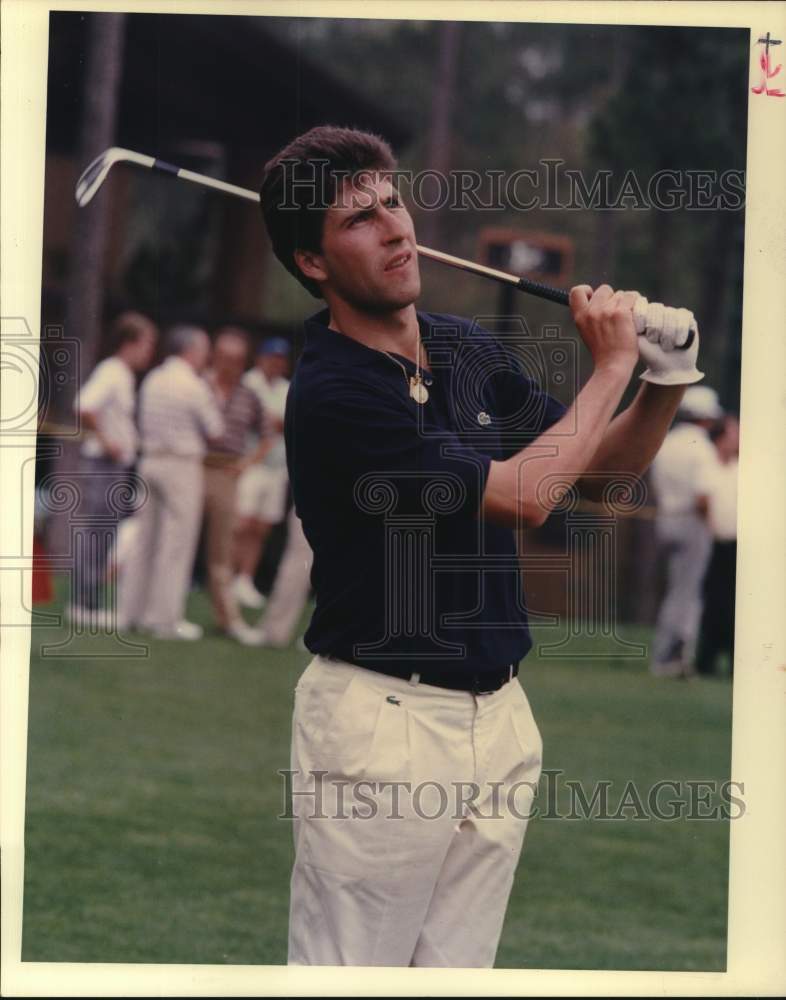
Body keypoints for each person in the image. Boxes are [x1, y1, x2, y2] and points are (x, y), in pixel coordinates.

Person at [259, 125, 703, 968]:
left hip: (497, 718)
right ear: (312, 263)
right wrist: (608, 368)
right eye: (360, 220)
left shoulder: (462, 347)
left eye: (394, 203)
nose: (396, 229)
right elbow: (524, 499)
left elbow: (595, 490)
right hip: (380, 722)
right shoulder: (334, 391)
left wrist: (660, 381)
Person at [117, 325, 223, 640]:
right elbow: (215, 428)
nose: (206, 356)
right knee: (177, 543)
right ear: (190, 351)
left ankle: (130, 613)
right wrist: (214, 392)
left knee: (144, 540)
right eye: (204, 349)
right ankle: (164, 620)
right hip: (180, 465)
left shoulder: (154, 378)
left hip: (149, 461)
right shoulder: (195, 385)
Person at [70, 311, 157, 624]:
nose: (150, 351)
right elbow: (84, 405)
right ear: (129, 343)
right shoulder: (112, 370)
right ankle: (82, 603)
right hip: (104, 464)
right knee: (98, 531)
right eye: (147, 343)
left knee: (105, 533)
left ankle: (89, 601)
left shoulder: (122, 374)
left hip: (115, 467)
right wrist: (107, 441)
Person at [649, 385, 724, 678]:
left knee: (673, 591)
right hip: (692, 522)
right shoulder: (703, 448)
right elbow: (703, 496)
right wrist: (713, 526)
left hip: (666, 519)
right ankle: (674, 658)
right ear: (706, 417)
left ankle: (667, 654)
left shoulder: (666, 442)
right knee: (686, 594)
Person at [202, 327, 271, 644]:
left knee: (223, 550)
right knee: (173, 543)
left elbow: (268, 436)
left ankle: (228, 618)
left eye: (236, 359)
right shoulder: (198, 384)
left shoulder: (248, 395)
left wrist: (246, 465)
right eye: (224, 357)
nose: (229, 364)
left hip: (228, 474)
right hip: (192, 468)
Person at [232, 337, 292, 610]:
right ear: (262, 358)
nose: (276, 363)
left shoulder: (286, 387)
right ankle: (228, 577)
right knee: (241, 523)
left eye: (281, 359)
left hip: (277, 467)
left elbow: (286, 422)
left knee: (261, 528)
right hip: (250, 463)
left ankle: (245, 579)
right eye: (272, 358)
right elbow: (262, 421)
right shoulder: (249, 382)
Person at [695, 415, 739, 677]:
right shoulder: (709, 465)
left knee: (736, 607)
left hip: (737, 545)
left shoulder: (738, 467)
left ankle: (735, 663)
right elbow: (702, 502)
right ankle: (706, 661)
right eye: (734, 433)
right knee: (716, 605)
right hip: (716, 545)